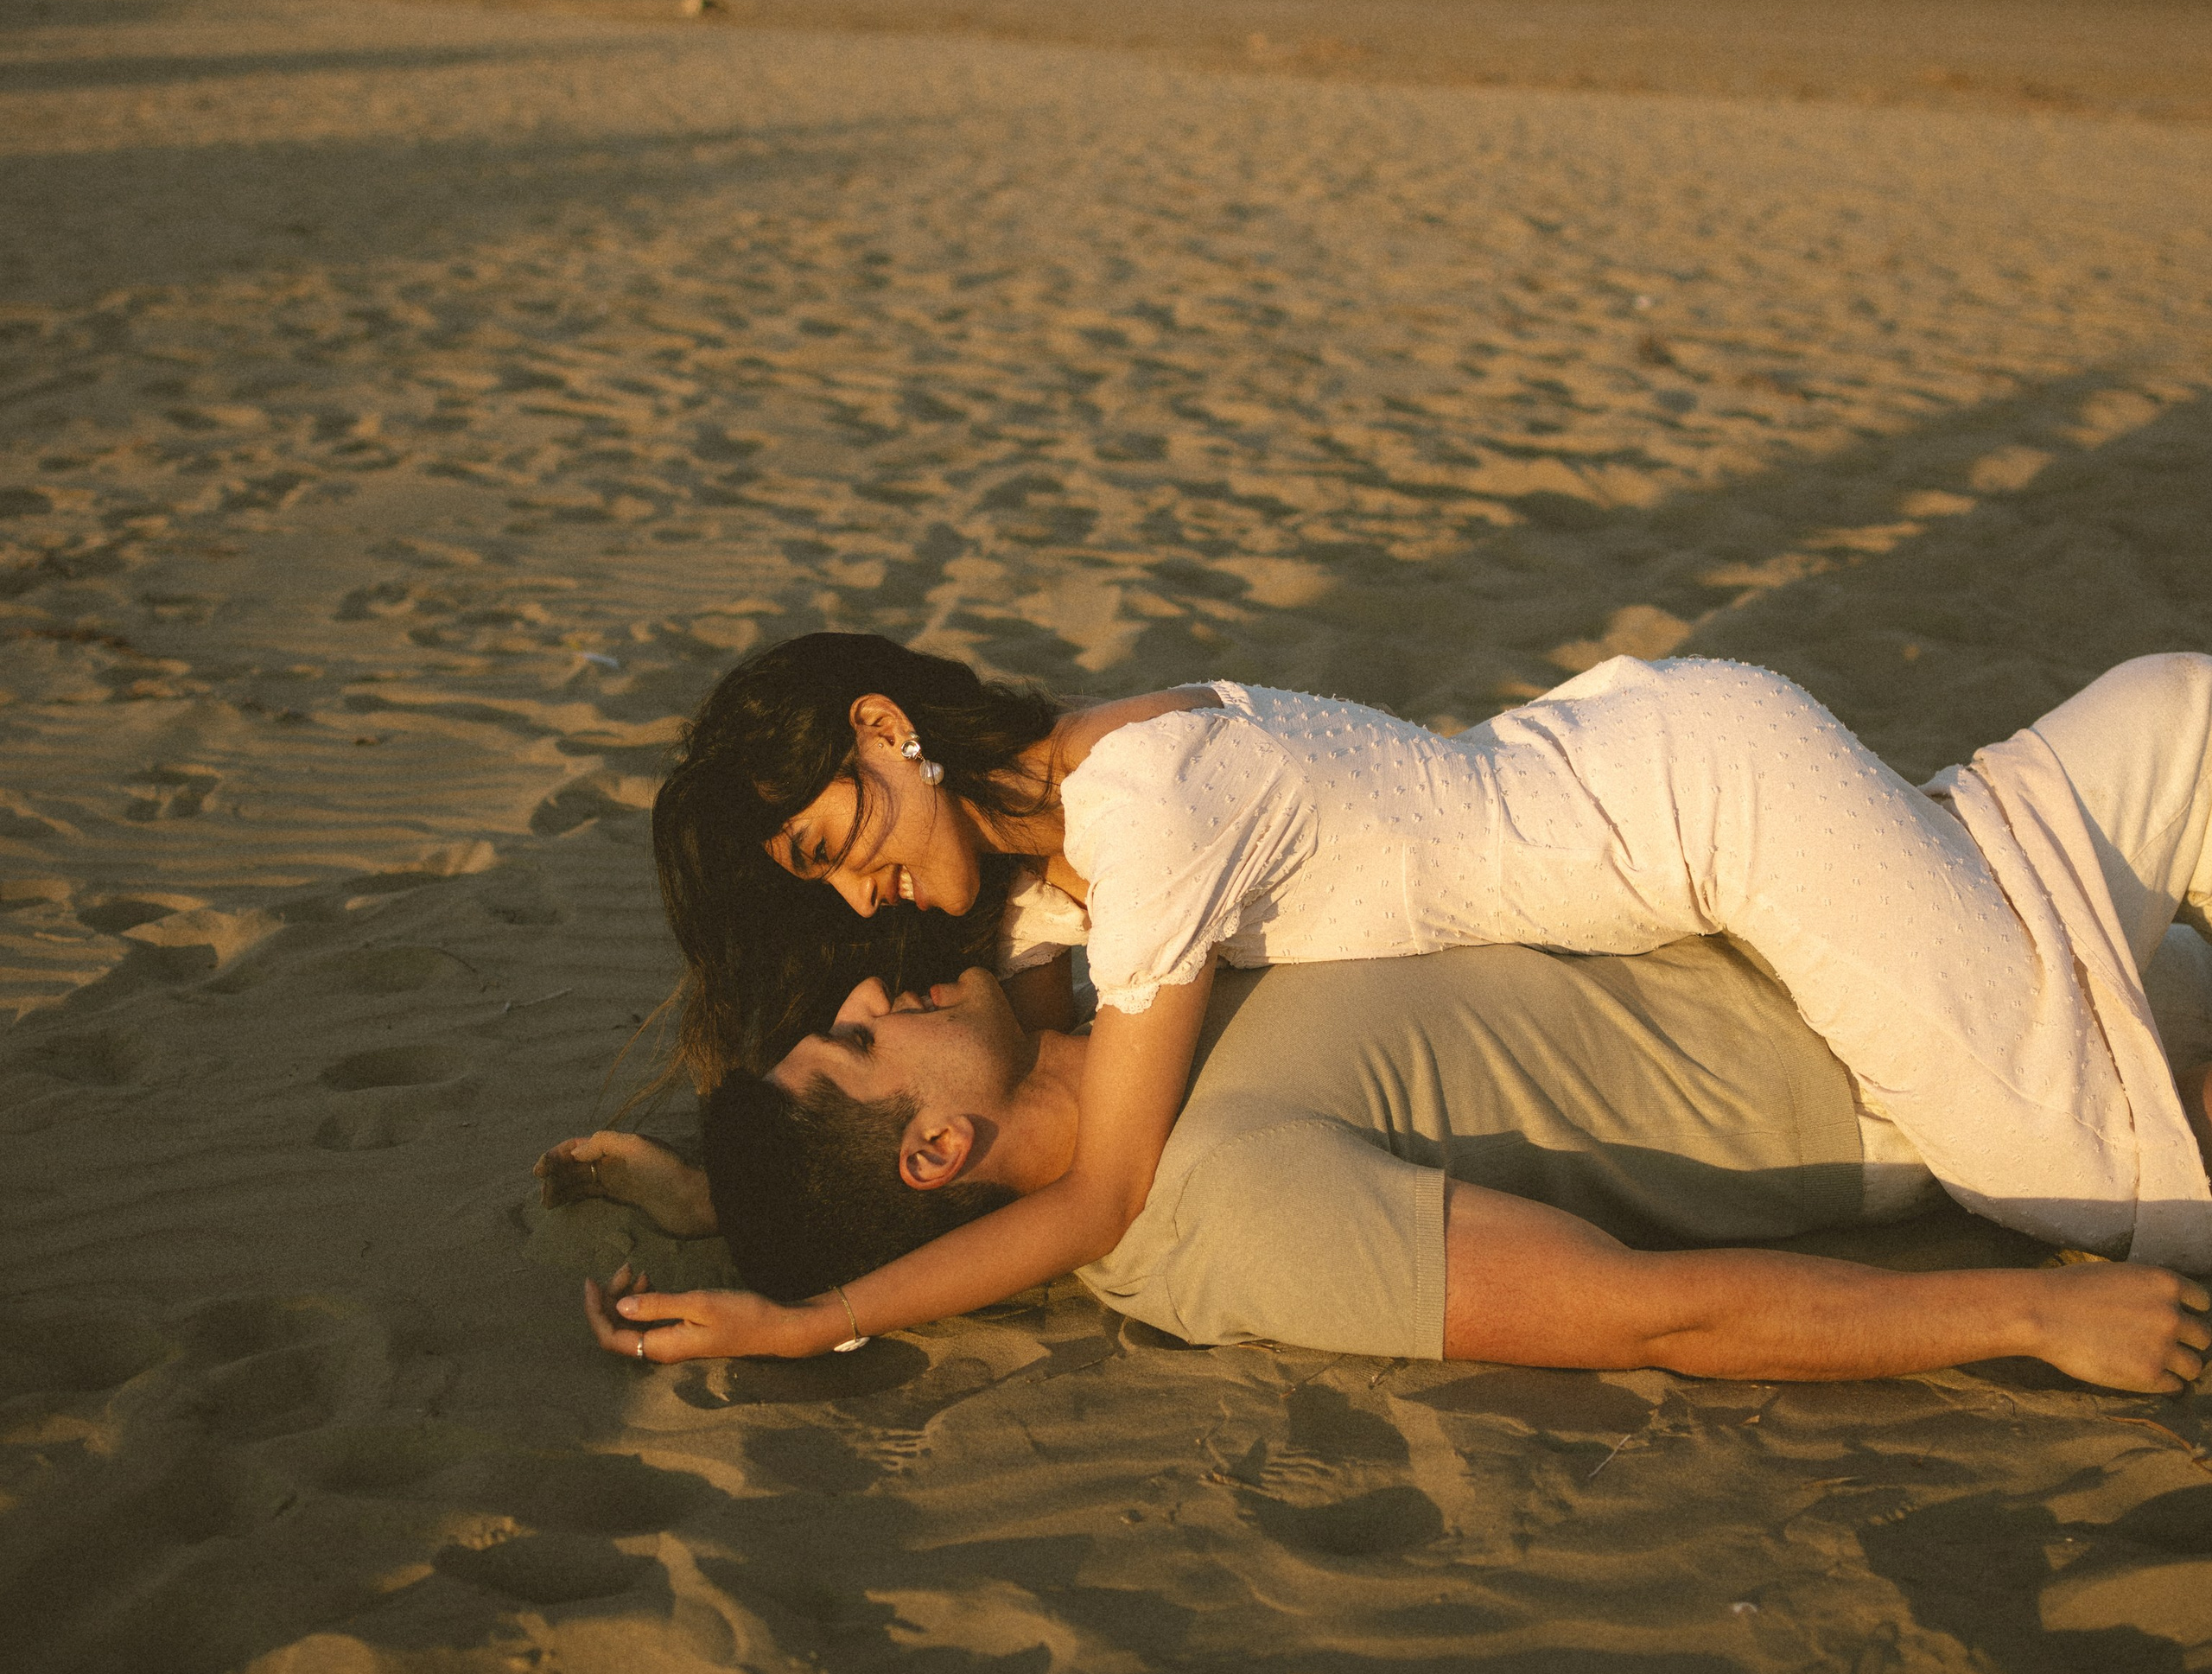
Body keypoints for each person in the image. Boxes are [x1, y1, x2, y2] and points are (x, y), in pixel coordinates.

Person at [595, 637, 2212, 1361]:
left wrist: (816, 1316)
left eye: (843, 844)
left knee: (2094, 1188)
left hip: (1716, 813)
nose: (867, 925)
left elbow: (1095, 1190)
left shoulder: (1143, 826)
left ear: (889, 729)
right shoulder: (1043, 869)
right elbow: (938, 1135)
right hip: (1664, 768)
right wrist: (725, 1197)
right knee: (2168, 736)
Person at [548, 931, 2212, 1394]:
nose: (864, 990)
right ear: (937, 1146)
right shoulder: (1226, 1207)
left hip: (1870, 917)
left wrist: (722, 1210)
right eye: (855, 1044)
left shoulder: (1119, 995)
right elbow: (1640, 1316)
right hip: (1945, 1073)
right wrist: (2028, 1317)